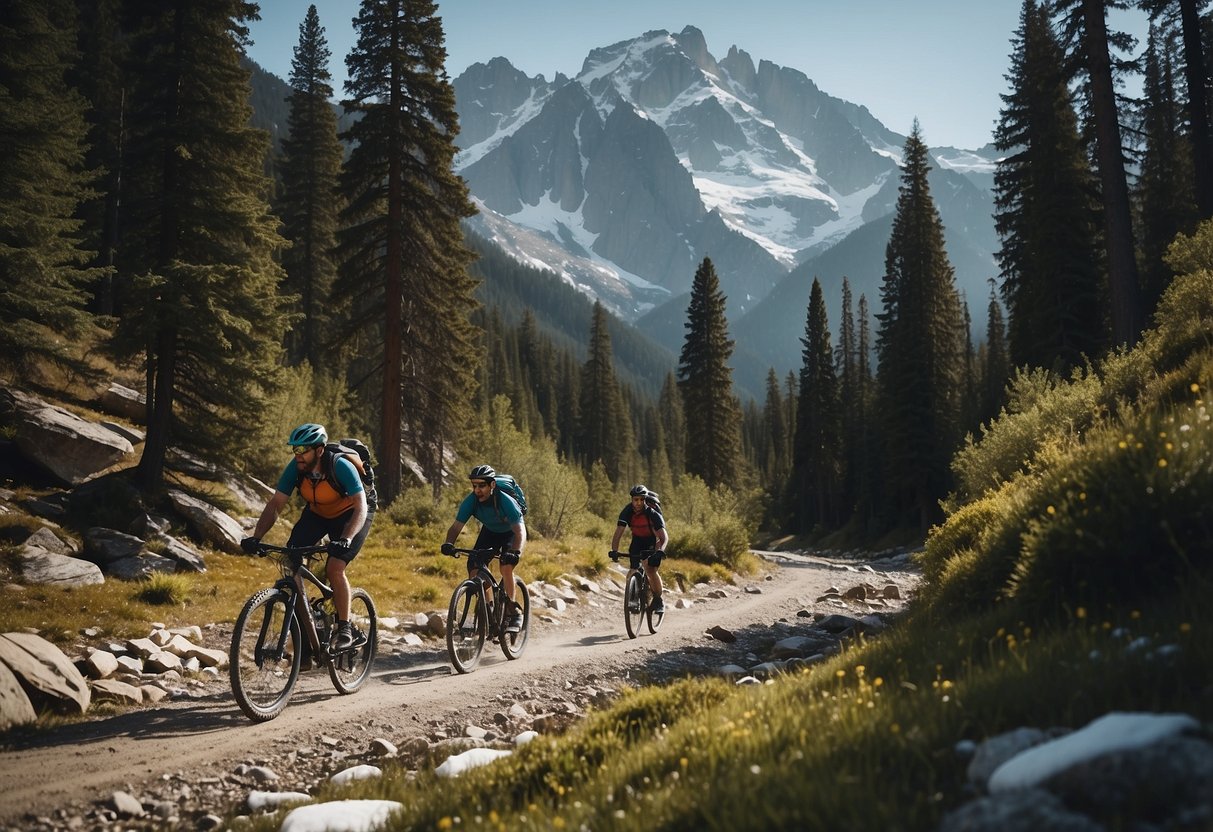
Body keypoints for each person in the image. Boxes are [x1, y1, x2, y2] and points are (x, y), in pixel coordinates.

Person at [240, 423, 373, 653]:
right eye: (295, 449)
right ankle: (308, 632)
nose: (298, 454)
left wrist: (346, 538)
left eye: (303, 449)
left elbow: (361, 506)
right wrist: (256, 536)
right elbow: (275, 504)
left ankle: (344, 628)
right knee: (292, 561)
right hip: (318, 513)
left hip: (352, 514)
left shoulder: (339, 467)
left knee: (335, 567)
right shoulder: (296, 468)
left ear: (319, 450)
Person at [441, 464, 526, 633]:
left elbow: (520, 531)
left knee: (506, 566)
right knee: (474, 569)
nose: (477, 490)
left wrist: (516, 553)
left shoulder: (505, 501)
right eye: (474, 486)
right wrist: (449, 544)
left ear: (492, 485)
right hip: (490, 532)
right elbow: (456, 527)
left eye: (481, 486)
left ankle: (513, 611)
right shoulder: (471, 501)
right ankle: (488, 611)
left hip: (510, 533)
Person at [609, 484, 668, 613]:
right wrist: (614, 550)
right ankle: (633, 598)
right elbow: (619, 532)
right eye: (636, 499)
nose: (638, 503)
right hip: (637, 540)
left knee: (650, 570)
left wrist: (660, 551)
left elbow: (664, 537)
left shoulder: (652, 513)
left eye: (642, 499)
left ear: (645, 499)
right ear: (632, 500)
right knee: (632, 570)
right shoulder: (627, 511)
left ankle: (658, 600)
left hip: (653, 541)